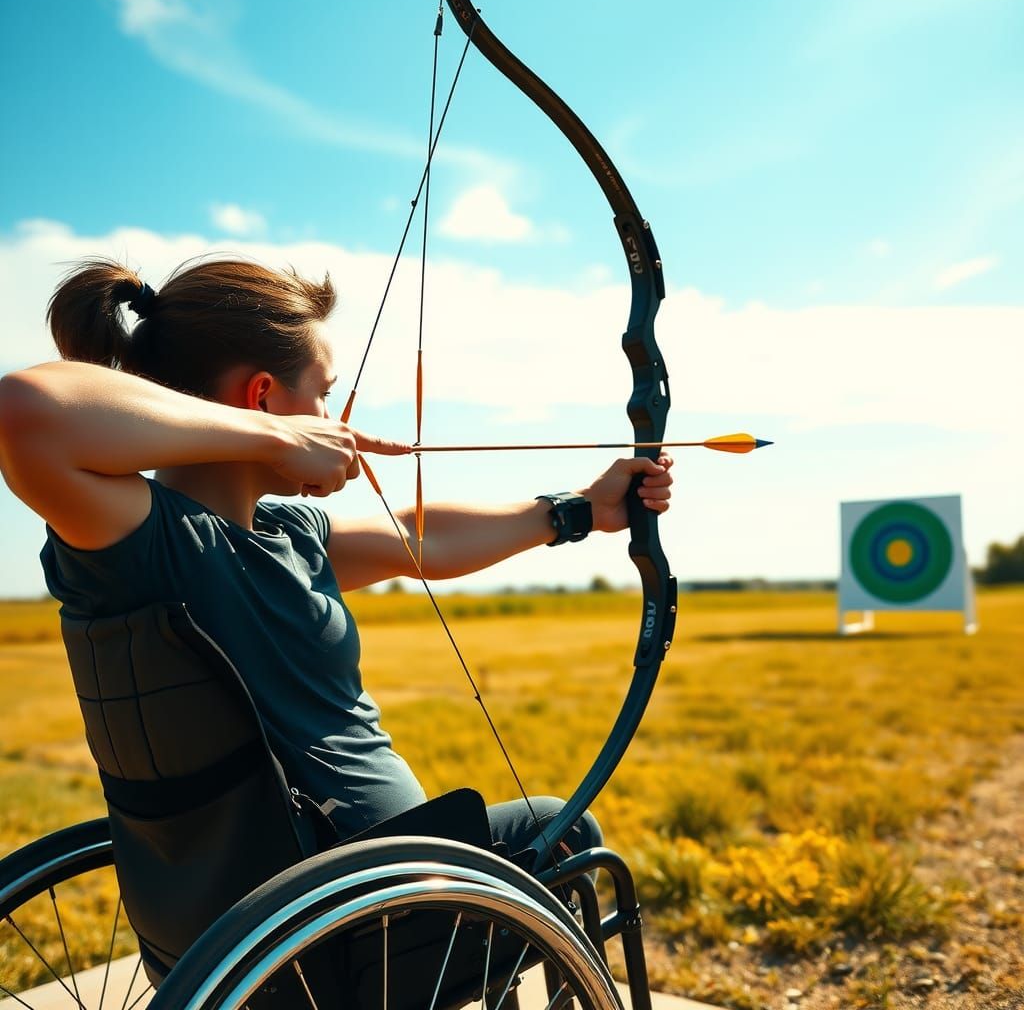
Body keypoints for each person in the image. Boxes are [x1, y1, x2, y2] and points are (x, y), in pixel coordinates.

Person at [0, 256, 673, 862]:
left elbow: (419, 540)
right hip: (360, 907)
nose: (332, 417)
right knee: (562, 834)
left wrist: (582, 510)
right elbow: (25, 407)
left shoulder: (287, 534)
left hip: (310, 903)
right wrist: (276, 436)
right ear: (263, 395)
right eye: (322, 393)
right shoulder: (150, 538)